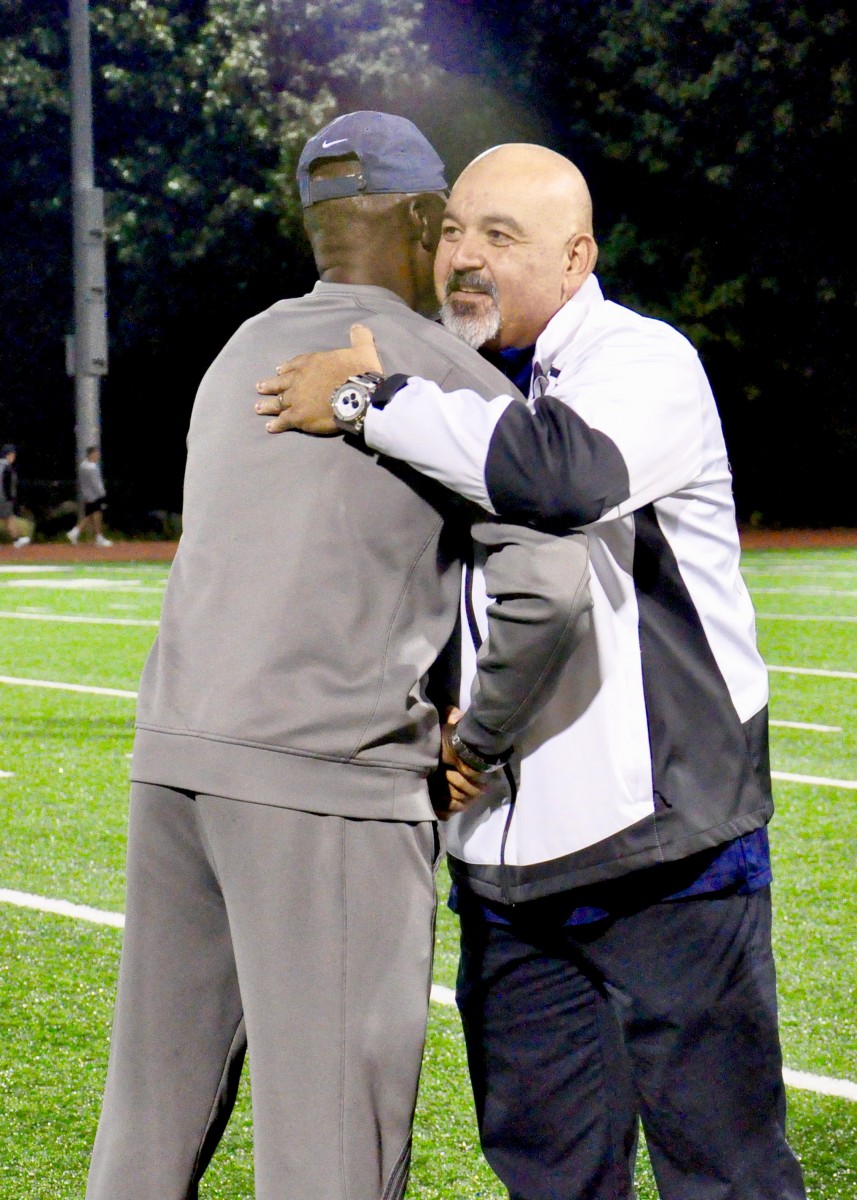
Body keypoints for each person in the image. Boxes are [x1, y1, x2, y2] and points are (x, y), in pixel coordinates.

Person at [255, 143, 806, 1200]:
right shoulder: (453, 380)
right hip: (504, 866)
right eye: (453, 230)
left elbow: (560, 475)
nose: (464, 258)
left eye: (499, 238)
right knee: (547, 1175)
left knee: (723, 1173)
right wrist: (440, 725)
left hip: (667, 852)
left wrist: (371, 401)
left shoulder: (638, 360)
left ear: (574, 256)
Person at [86, 116, 591, 1200]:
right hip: (326, 784)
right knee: (331, 1164)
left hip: (174, 766)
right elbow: (550, 593)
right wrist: (482, 742)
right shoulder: (438, 370)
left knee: (145, 1136)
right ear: (419, 222)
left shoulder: (232, 356)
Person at [68, 445, 112, 546]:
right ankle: (98, 537)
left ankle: (76, 532)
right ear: (91, 454)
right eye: (96, 454)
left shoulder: (83, 465)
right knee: (96, 515)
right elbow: (96, 483)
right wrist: (102, 493)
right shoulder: (92, 468)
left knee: (90, 515)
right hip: (94, 495)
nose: (98, 456)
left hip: (86, 495)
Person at [0, 444, 30, 547]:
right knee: (9, 519)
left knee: (9, 519)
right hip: (3, 498)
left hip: (2, 497)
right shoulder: (7, 467)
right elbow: (7, 484)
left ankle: (17, 540)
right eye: (13, 455)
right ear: (8, 455)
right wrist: (11, 499)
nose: (14, 457)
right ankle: (17, 540)